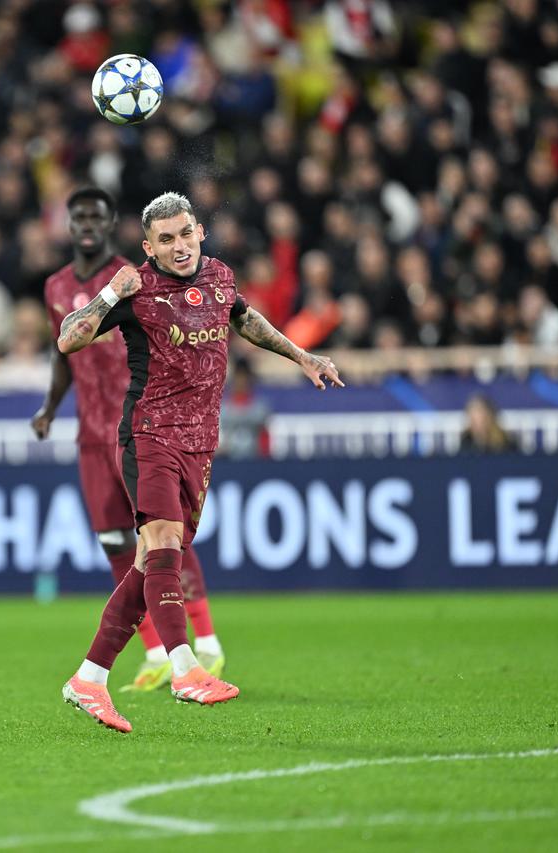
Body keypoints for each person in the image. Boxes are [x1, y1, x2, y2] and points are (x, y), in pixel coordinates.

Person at [57, 192, 343, 732]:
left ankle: (89, 678)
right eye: (166, 239)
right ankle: (185, 666)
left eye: (186, 233)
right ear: (149, 248)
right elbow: (68, 340)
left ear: (200, 232)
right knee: (163, 540)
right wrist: (108, 292)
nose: (179, 245)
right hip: (149, 435)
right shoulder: (137, 288)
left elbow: (246, 320)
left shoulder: (219, 277)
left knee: (152, 564)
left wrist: (301, 356)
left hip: (200, 443)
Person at [32, 187, 227, 691]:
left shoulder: (139, 276)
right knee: (118, 540)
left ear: (111, 222)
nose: (87, 225)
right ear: (69, 225)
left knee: (163, 534)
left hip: (142, 424)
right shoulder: (56, 286)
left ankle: (204, 643)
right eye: (79, 217)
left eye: (96, 217)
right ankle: (157, 653)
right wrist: (51, 407)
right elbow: (62, 351)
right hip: (91, 432)